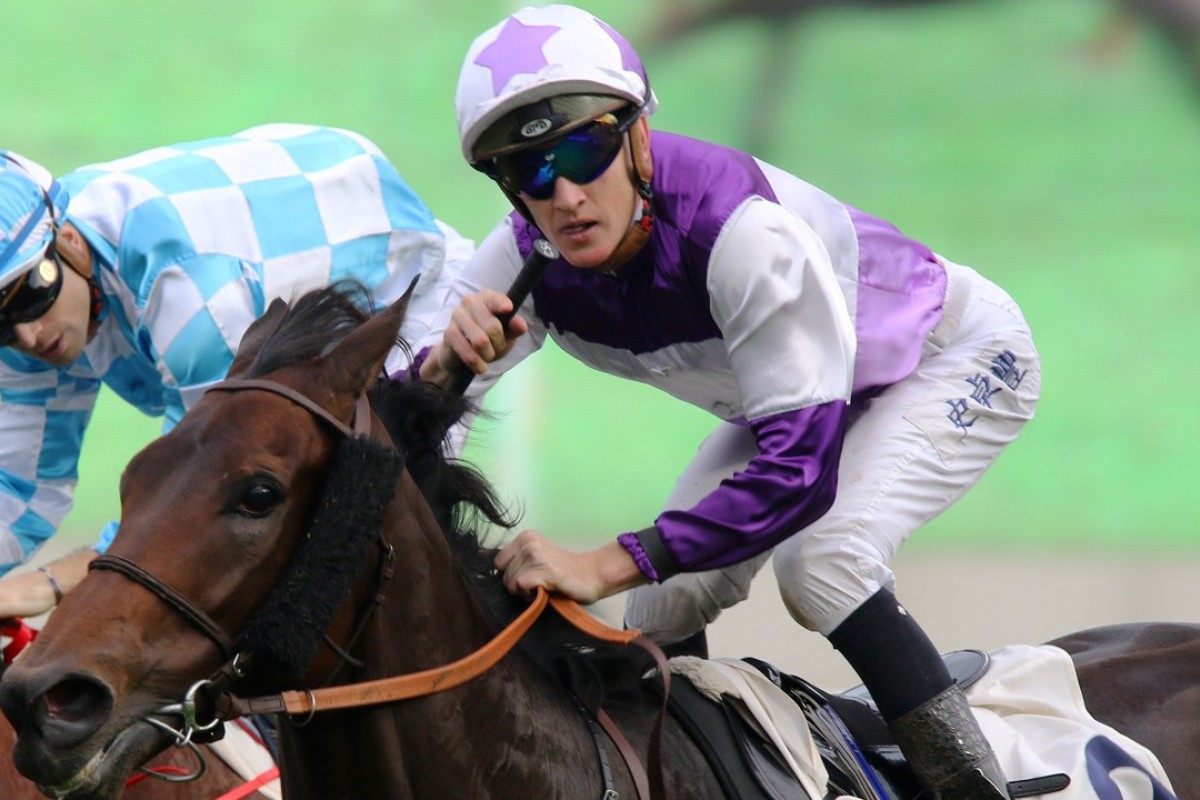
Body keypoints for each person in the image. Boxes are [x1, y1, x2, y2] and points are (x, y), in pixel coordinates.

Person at [412, 5, 1042, 798]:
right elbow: (398, 426)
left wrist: (601, 561)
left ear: (639, 136)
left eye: (585, 147)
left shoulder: (741, 231)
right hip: (798, 406)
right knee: (661, 605)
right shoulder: (520, 258)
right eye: (529, 168)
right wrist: (444, 370)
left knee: (824, 566)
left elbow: (798, 479)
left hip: (954, 358)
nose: (566, 194)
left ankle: (972, 788)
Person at [0, 122, 472, 620]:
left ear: (70, 242)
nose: (26, 335)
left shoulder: (186, 291)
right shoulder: (35, 300)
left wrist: (52, 584)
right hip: (293, 309)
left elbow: (194, 492)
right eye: (1, 322)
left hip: (413, 299)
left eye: (33, 295)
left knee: (354, 544)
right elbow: (20, 487)